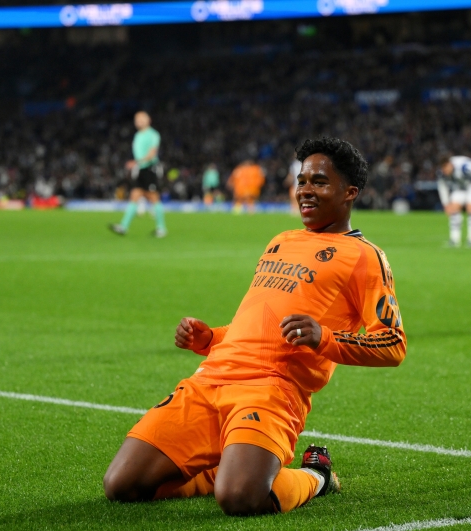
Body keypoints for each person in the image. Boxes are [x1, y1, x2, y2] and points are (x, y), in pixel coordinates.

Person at [103, 137, 406, 516]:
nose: (305, 191)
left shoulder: (365, 257)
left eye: (319, 182)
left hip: (271, 391)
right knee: (121, 486)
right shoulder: (280, 241)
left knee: (240, 499)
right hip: (210, 381)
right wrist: (211, 337)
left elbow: (392, 344)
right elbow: (258, 322)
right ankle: (227, 468)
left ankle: (317, 476)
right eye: (301, 181)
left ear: (350, 193)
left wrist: (324, 337)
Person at [109, 111, 166, 237]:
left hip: (149, 169)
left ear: (148, 120)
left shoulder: (153, 135)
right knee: (134, 195)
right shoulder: (138, 135)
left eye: (141, 119)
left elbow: (152, 154)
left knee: (154, 198)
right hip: (141, 169)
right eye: (137, 120)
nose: (138, 122)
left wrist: (136, 162)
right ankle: (123, 226)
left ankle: (161, 228)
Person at [437, 155, 471, 248]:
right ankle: (455, 240)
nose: (445, 171)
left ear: (450, 164)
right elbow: (442, 187)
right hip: (460, 187)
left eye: (446, 168)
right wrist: (446, 204)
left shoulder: (465, 167)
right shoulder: (442, 173)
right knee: (453, 208)